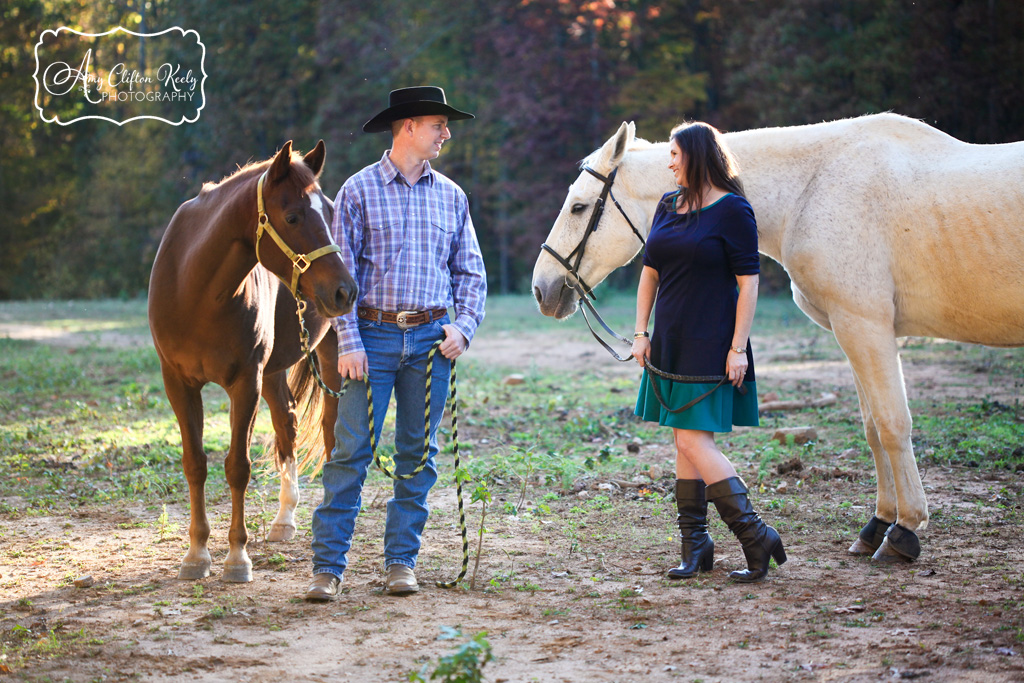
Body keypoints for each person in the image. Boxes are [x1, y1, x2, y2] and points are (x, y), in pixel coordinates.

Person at [305, 87, 487, 601]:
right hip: (373, 339)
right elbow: (340, 281)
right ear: (407, 126)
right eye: (437, 123)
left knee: (418, 455)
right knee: (350, 454)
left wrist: (463, 326)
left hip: (431, 342)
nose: (446, 133)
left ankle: (400, 563)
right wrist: (349, 342)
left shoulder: (452, 196)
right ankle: (327, 569)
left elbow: (470, 271)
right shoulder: (358, 192)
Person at [631, 121, 785, 583]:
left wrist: (737, 348)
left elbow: (748, 283)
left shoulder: (734, 210)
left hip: (714, 341)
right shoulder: (667, 205)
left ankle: (755, 533)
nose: (670, 162)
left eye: (676, 154)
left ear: (697, 155)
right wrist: (641, 332)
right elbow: (650, 273)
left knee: (692, 441)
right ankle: (695, 545)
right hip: (670, 340)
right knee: (683, 439)